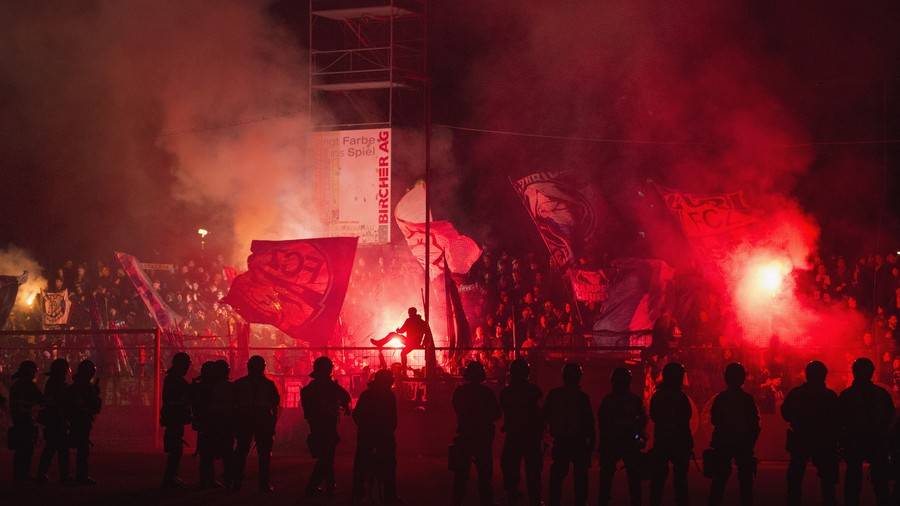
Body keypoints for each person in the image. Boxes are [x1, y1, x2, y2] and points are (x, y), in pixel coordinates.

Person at [781, 360, 839, 506]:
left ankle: (793, 501)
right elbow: (838, 419)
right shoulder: (830, 396)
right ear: (824, 376)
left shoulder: (796, 394)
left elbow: (786, 413)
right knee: (827, 479)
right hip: (824, 441)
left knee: (795, 475)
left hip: (801, 438)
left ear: (807, 375)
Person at [838, 357, 894, 506]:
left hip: (854, 442)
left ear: (853, 372)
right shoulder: (881, 394)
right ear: (872, 373)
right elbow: (891, 417)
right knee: (880, 482)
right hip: (877, 442)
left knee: (853, 479)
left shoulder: (846, 395)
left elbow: (839, 421)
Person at [706, 363, 760, 506]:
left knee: (719, 480)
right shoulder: (747, 399)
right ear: (742, 379)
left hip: (724, 442)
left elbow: (714, 419)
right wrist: (750, 441)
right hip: (743, 443)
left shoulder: (721, 398)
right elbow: (754, 423)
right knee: (745, 481)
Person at [544, 362, 595, 506]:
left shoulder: (555, 395)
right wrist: (591, 443)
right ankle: (580, 501)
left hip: (561, 441)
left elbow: (544, 416)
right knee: (580, 475)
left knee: (558, 474)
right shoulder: (582, 397)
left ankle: (555, 501)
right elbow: (589, 423)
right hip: (577, 441)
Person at [451, 361, 501, 506]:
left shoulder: (460, 392)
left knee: (460, 475)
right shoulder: (487, 393)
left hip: (465, 435)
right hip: (483, 436)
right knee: (484, 476)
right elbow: (496, 414)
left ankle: (457, 501)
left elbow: (457, 409)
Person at [301, 356, 351, 498]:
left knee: (327, 456)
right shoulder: (331, 387)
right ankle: (313, 486)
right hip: (327, 426)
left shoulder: (308, 390)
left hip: (316, 426)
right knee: (326, 457)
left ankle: (329, 484)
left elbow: (307, 410)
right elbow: (345, 397)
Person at [597, 367, 646, 506]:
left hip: (612, 441)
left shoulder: (608, 400)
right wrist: (639, 435)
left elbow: (602, 422)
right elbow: (642, 419)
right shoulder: (634, 400)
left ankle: (604, 500)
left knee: (607, 476)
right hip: (629, 441)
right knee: (633, 476)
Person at [499, 358, 544, 506]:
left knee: (510, 466)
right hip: (531, 435)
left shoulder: (507, 392)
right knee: (533, 469)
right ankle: (534, 499)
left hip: (514, 434)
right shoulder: (533, 390)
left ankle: (512, 494)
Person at [233, 355, 280, 492]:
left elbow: (234, 405)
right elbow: (275, 404)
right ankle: (263, 484)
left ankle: (236, 482)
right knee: (264, 453)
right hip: (262, 421)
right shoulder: (268, 385)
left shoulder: (239, 384)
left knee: (241, 451)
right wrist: (272, 422)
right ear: (263, 368)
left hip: (245, 420)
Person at [351, 369, 399, 505]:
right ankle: (390, 496)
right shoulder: (389, 396)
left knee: (361, 465)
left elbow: (356, 415)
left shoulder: (367, 395)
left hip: (367, 436)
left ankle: (358, 493)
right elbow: (393, 419)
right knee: (389, 466)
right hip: (384, 436)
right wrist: (387, 431)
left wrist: (364, 429)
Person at [649, 362, 692, 506]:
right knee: (680, 480)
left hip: (662, 441)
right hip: (679, 442)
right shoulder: (681, 397)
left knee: (658, 480)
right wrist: (688, 441)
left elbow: (654, 415)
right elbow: (685, 420)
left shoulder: (658, 396)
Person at [65, 360, 101, 485]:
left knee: (78, 448)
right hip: (78, 421)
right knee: (80, 448)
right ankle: (79, 476)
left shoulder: (79, 387)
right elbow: (85, 406)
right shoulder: (82, 388)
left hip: (78, 421)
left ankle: (71, 475)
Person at [160, 352, 192, 489]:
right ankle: (170, 477)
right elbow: (175, 400)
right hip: (175, 418)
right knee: (176, 449)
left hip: (174, 417)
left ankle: (171, 476)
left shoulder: (173, 378)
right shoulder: (175, 380)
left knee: (176, 448)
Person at [37, 358, 71, 484]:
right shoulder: (57, 384)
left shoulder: (52, 383)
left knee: (51, 448)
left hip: (54, 420)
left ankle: (43, 474)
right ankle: (63, 476)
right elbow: (58, 402)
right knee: (60, 449)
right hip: (57, 420)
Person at [8, 360, 41, 483]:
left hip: (18, 420)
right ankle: (23, 475)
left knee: (21, 449)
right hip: (25, 420)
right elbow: (41, 399)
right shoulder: (28, 385)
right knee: (26, 448)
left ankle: (19, 475)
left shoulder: (17, 385)